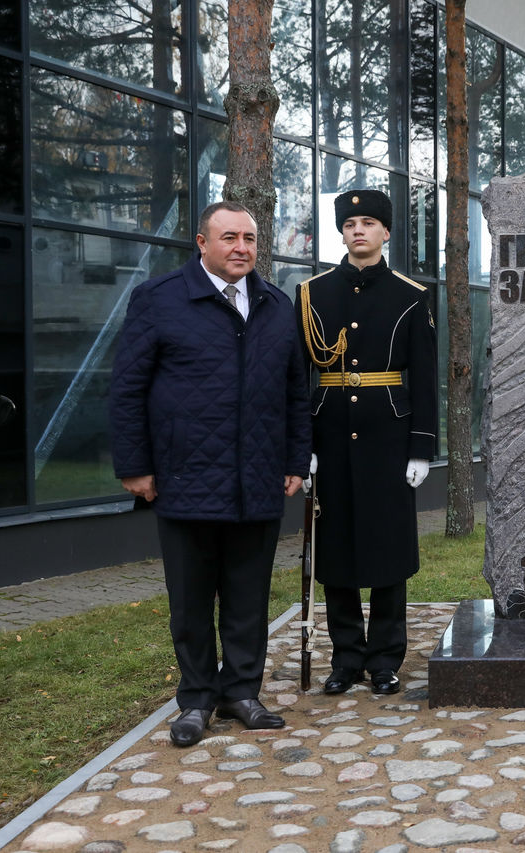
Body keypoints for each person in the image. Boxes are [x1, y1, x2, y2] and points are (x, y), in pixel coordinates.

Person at [111, 201, 311, 747]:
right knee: (192, 599)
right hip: (184, 478)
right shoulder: (159, 299)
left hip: (259, 481)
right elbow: (127, 388)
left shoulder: (274, 304)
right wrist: (135, 466)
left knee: (248, 597)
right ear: (202, 243)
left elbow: (296, 392)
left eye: (248, 238)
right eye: (228, 238)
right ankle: (197, 699)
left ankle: (242, 691)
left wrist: (296, 460)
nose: (241, 247)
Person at [297, 189, 438, 696]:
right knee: (335, 550)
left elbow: (423, 376)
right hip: (330, 433)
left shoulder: (410, 294)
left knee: (386, 547)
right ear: (342, 231)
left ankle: (384, 659)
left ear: (385, 232)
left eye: (369, 222)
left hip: (388, 436)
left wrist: (421, 446)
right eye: (350, 222)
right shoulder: (312, 293)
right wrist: (302, 443)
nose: (358, 230)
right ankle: (345, 658)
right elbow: (299, 377)